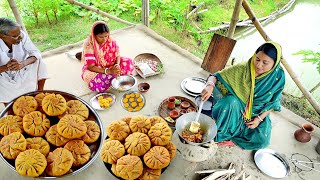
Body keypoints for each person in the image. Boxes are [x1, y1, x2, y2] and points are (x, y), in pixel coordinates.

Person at [201, 41, 285, 150]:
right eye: (257, 59)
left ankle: (231, 138)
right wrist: (209, 85)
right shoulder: (244, 68)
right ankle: (224, 133)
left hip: (257, 113)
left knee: (262, 141)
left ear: (274, 64)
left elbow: (274, 102)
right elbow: (215, 76)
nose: (259, 65)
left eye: (265, 62)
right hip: (236, 108)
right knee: (230, 102)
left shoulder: (278, 77)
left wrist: (259, 119)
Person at [0, 18, 48, 105]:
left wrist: (23, 63)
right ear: (2, 36)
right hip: (3, 75)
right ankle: (9, 105)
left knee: (40, 62)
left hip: (21, 68)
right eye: (15, 36)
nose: (20, 37)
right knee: (9, 96)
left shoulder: (21, 35)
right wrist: (7, 67)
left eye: (20, 34)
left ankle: (39, 93)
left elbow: (35, 52)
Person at [81, 21, 135, 92]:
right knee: (97, 84)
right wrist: (108, 71)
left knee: (129, 62)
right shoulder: (89, 45)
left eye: (106, 36)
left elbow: (117, 54)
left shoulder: (109, 40)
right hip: (97, 69)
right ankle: (112, 78)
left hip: (111, 65)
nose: (104, 39)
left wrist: (117, 65)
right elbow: (91, 67)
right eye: (101, 37)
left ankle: (111, 78)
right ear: (94, 35)